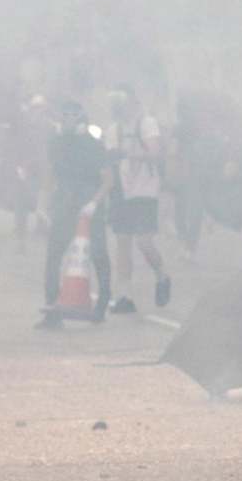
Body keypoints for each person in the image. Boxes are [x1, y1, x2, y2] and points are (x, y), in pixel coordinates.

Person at [40, 99, 111, 325]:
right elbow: (50, 175)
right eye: (64, 114)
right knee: (54, 254)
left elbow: (108, 180)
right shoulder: (57, 143)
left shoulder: (94, 144)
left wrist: (94, 203)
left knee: (99, 254)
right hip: (64, 202)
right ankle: (52, 309)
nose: (68, 118)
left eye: (73, 114)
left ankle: (101, 304)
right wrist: (42, 204)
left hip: (90, 204)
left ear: (81, 118)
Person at [104, 85, 171, 314]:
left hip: (144, 189)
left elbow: (155, 151)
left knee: (143, 241)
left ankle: (162, 275)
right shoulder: (113, 129)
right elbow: (111, 158)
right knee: (122, 242)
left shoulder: (146, 122)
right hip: (122, 190)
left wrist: (130, 155)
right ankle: (125, 295)